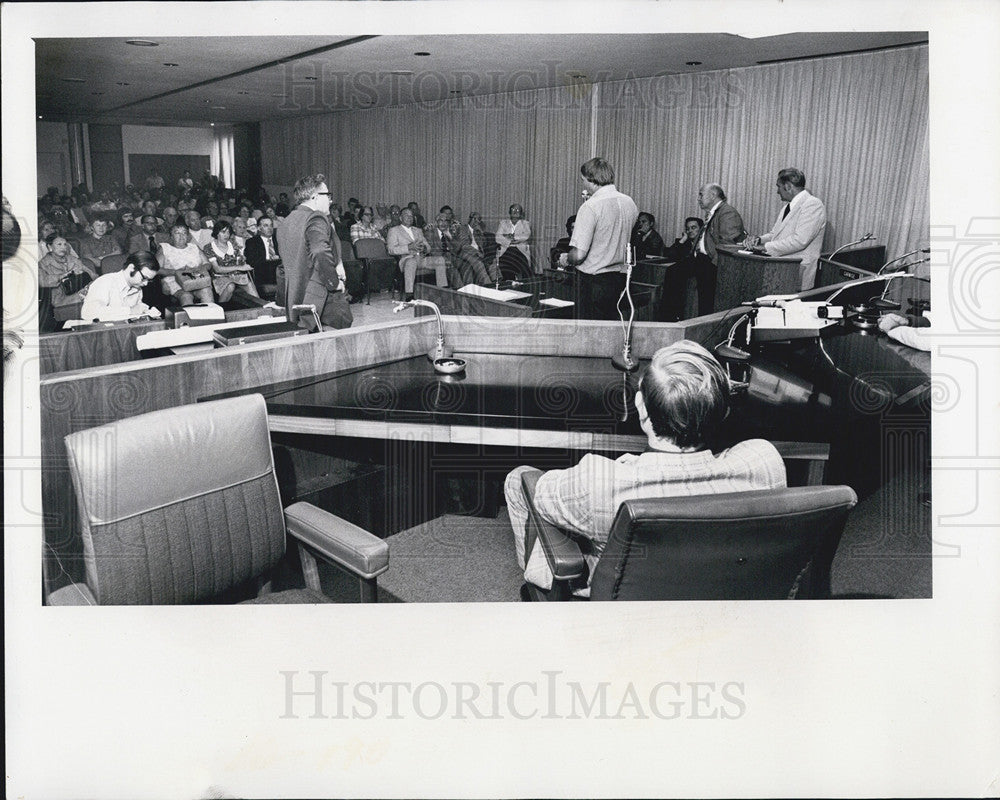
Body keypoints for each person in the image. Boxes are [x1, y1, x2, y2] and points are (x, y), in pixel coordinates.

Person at [504, 339, 787, 594]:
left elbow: (540, 495)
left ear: (641, 408)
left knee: (520, 480)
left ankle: (542, 593)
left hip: (625, 606)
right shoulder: (764, 464)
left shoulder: (597, 481)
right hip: (717, 606)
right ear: (722, 412)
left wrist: (627, 466)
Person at [557, 157, 638, 320]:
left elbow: (579, 255)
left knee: (590, 335)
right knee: (610, 330)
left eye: (582, 180)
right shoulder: (630, 203)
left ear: (590, 179)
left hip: (592, 282)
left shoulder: (590, 206)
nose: (583, 184)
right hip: (619, 279)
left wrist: (566, 258)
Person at [276, 173, 352, 331]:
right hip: (321, 295)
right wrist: (334, 283)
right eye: (328, 195)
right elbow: (319, 251)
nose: (330, 200)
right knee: (342, 337)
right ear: (315, 196)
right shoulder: (316, 217)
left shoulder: (286, 221)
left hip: (295, 295)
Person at [746, 168, 827, 291]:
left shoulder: (813, 204)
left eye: (778, 186)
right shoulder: (787, 207)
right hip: (781, 271)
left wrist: (765, 248)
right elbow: (775, 234)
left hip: (797, 273)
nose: (777, 191)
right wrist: (758, 240)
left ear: (788, 186)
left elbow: (800, 241)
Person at [37, 234, 98, 332]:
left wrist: (85, 275)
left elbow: (93, 275)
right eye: (59, 244)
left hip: (80, 291)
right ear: (50, 247)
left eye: (65, 244)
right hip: (60, 299)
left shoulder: (72, 259)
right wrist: (64, 275)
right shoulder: (42, 264)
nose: (63, 247)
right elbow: (43, 282)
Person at [79, 251, 162, 322]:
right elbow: (88, 313)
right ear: (131, 268)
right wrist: (130, 311)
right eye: (144, 278)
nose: (146, 283)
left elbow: (134, 313)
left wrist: (145, 312)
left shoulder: (137, 288)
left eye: (149, 280)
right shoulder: (105, 282)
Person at [386, 207, 447, 301]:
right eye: (407, 215)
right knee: (411, 262)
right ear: (401, 218)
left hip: (421, 259)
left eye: (411, 216)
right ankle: (409, 294)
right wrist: (409, 247)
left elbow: (428, 247)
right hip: (406, 259)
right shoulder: (394, 230)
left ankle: (442, 290)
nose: (410, 218)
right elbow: (391, 250)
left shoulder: (418, 230)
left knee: (440, 259)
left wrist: (425, 249)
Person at [659, 217, 713, 321]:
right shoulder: (684, 243)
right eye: (688, 229)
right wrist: (682, 240)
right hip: (680, 285)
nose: (690, 231)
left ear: (701, 229)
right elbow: (669, 254)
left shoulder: (706, 245)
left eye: (693, 228)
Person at [157, 222, 215, 306]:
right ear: (171, 236)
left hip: (196, 279)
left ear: (187, 236)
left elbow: (207, 264)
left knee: (207, 291)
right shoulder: (165, 248)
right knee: (186, 296)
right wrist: (179, 272)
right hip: (175, 282)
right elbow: (157, 269)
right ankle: (189, 319)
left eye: (184, 233)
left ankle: (211, 317)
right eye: (177, 233)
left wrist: (196, 270)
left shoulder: (194, 247)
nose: (181, 236)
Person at [204, 220, 259, 303]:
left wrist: (243, 261)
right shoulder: (209, 247)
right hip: (220, 277)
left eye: (228, 232)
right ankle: (221, 309)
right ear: (216, 232)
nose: (226, 235)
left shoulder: (232, 244)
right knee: (230, 286)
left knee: (250, 285)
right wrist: (240, 267)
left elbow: (241, 261)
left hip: (237, 275)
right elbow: (217, 269)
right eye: (223, 232)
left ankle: (263, 310)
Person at [244, 216, 282, 299]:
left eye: (271, 225)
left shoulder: (279, 240)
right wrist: (269, 260)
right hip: (264, 274)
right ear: (259, 228)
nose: (270, 228)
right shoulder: (252, 242)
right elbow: (252, 261)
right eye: (266, 225)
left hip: (281, 272)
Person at [495, 203, 532, 279]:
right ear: (509, 212)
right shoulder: (503, 223)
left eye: (518, 210)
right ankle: (509, 281)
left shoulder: (525, 224)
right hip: (506, 249)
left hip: (520, 250)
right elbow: (497, 238)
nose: (515, 211)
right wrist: (512, 241)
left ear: (521, 213)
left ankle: (526, 284)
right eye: (513, 209)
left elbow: (526, 236)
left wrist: (510, 236)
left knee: (522, 265)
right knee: (506, 261)